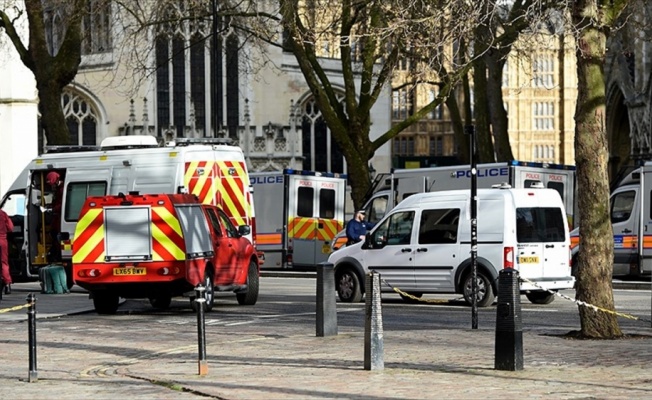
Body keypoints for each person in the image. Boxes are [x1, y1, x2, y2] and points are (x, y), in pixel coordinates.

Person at [46, 171, 63, 262]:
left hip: (59, 220)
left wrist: (52, 209)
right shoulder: (59, 189)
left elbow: (62, 204)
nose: (51, 187)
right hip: (57, 219)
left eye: (52, 184)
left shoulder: (62, 189)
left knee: (56, 238)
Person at [0, 208, 14, 295]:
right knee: (4, 263)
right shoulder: (3, 213)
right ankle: (7, 284)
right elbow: (10, 228)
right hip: (2, 241)